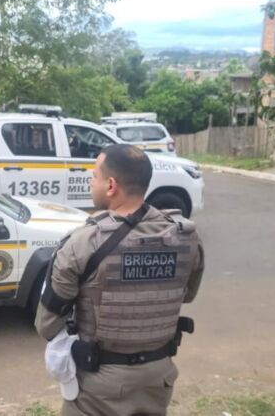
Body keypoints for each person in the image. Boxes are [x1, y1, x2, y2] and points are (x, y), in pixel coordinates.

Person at [35, 144, 205, 416]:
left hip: (99, 389)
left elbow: (47, 324)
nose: (91, 183)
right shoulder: (186, 237)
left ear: (111, 185)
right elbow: (188, 295)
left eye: (94, 176)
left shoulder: (82, 243)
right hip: (158, 379)